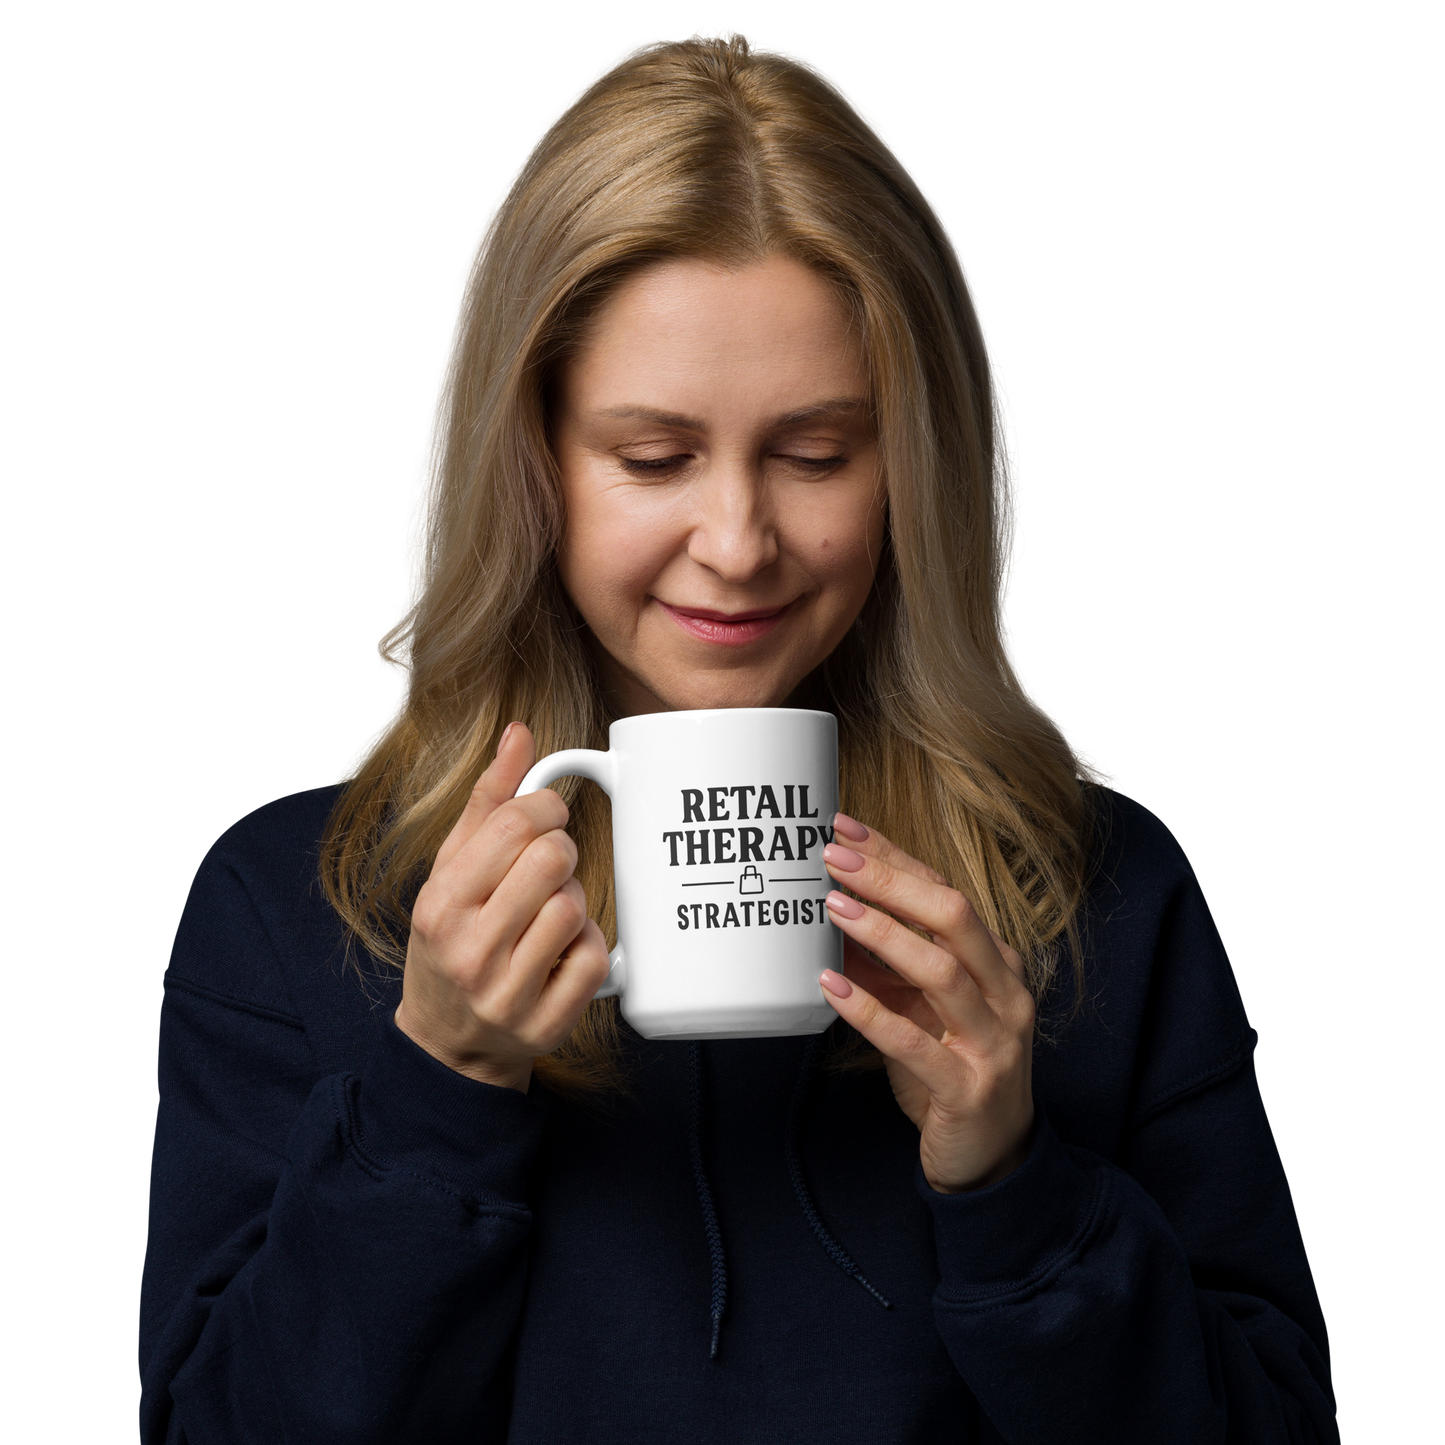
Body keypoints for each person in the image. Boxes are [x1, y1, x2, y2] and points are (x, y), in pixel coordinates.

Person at [136, 23, 1339, 1444]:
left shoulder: (1105, 895)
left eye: (818, 452)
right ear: (530, 463)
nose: (739, 543)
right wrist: (435, 1095)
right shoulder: (295, 906)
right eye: (653, 458)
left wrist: (1016, 1182)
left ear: (916, 463)